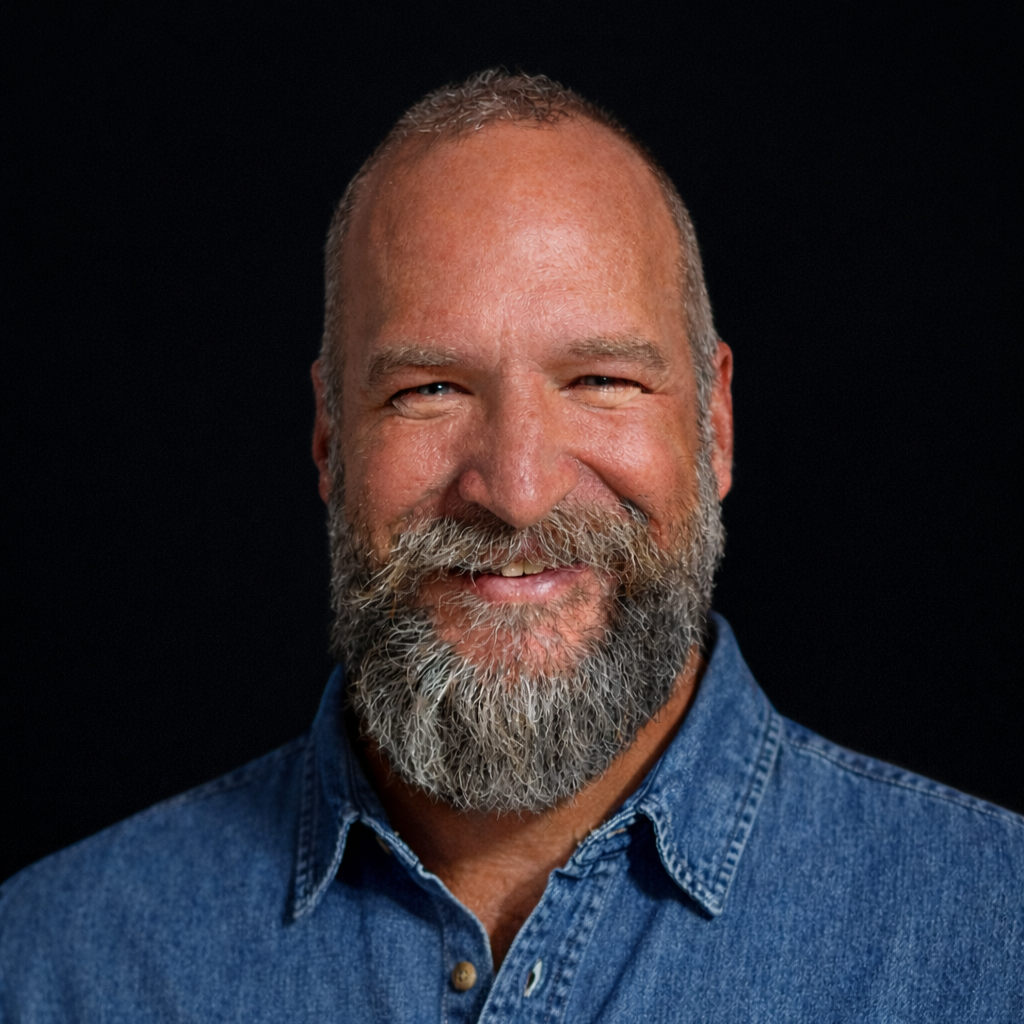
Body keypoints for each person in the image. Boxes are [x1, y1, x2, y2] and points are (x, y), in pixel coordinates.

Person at [1, 69, 1020, 1023]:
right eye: (429, 390)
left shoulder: (991, 937)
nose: (519, 493)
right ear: (327, 440)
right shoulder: (53, 969)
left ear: (714, 425)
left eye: (601, 381)